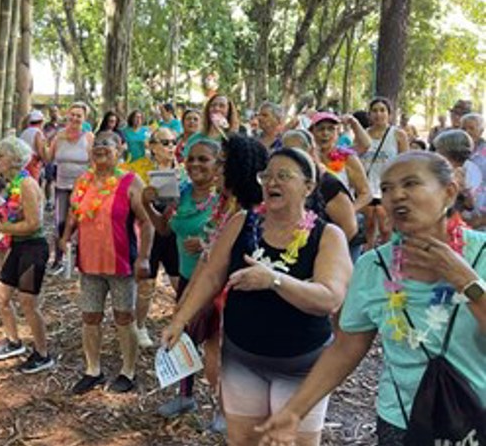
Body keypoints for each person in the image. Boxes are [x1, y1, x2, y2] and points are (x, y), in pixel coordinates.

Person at [256, 151, 486, 446]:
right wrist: (294, 411)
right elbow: (346, 347)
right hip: (402, 422)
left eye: (411, 183)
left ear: (449, 192)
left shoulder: (481, 254)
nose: (397, 195)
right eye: (387, 188)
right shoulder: (374, 266)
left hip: (478, 417)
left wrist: (465, 281)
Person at [163, 147, 353, 446]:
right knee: (243, 440)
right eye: (267, 176)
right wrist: (180, 320)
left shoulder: (327, 235)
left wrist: (274, 280)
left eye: (283, 176)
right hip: (242, 358)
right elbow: (211, 275)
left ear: (308, 186)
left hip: (301, 366)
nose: (272, 182)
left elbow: (329, 298)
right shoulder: (242, 222)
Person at [61, 131, 153, 395]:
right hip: (89, 262)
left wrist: (144, 257)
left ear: (119, 150)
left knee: (124, 317)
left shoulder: (131, 181)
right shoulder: (83, 180)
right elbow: (74, 212)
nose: (100, 148)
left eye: (107, 144)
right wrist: (65, 236)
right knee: (90, 316)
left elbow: (147, 221)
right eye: (97, 145)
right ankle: (93, 370)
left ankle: (128, 371)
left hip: (121, 263)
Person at [144, 138, 220, 418]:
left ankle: (225, 409)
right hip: (189, 278)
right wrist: (147, 205)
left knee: (216, 344)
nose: (196, 164)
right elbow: (164, 229)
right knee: (184, 337)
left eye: (204, 159)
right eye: (191, 159)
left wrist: (207, 245)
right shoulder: (180, 192)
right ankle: (185, 396)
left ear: (218, 164)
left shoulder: (225, 199)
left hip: (217, 282)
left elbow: (235, 237)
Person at [0, 136, 55, 374]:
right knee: (0, 296)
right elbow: (11, 209)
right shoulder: (14, 183)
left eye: (0, 156)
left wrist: (0, 228)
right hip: (19, 246)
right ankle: (14, 342)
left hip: (33, 248)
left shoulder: (27, 184)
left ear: (14, 159)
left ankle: (43, 354)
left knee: (28, 302)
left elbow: (34, 224)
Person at [122, 127, 180, 347]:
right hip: (148, 233)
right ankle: (140, 326)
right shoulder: (138, 170)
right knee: (146, 284)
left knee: (180, 282)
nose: (170, 147)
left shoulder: (184, 171)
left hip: (175, 233)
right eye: (165, 142)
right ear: (152, 146)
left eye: (173, 142)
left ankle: (185, 325)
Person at [280, 129, 359, 260]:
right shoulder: (288, 183)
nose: (289, 159)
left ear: (310, 152)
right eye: (286, 152)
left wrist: (328, 255)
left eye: (296, 153)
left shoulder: (328, 184)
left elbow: (349, 228)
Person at [47, 103, 94, 273]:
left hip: (82, 187)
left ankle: (81, 260)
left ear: (84, 119)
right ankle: (58, 259)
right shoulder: (59, 136)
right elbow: (48, 157)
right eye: (72, 114)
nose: (75, 118)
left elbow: (93, 163)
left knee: (81, 223)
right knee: (60, 221)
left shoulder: (88, 137)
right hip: (62, 185)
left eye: (79, 115)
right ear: (67, 115)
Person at [356, 98, 408, 250]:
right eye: (374, 111)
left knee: (385, 228)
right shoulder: (363, 135)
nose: (378, 114)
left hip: (387, 187)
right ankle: (368, 256)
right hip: (366, 187)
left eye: (382, 110)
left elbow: (405, 161)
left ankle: (385, 255)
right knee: (369, 226)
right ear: (369, 114)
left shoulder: (398, 135)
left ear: (389, 114)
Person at [310, 112, 372, 211]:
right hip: (312, 216)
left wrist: (348, 212)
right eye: (321, 129)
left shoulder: (348, 157)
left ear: (338, 132)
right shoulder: (306, 157)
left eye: (331, 129)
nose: (325, 133)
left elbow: (366, 193)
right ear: (312, 132)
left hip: (340, 217)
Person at [19, 109, 48, 179]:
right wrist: (45, 159)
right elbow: (40, 150)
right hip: (33, 163)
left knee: (21, 181)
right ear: (41, 122)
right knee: (32, 182)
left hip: (22, 162)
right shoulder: (37, 132)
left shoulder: (24, 132)